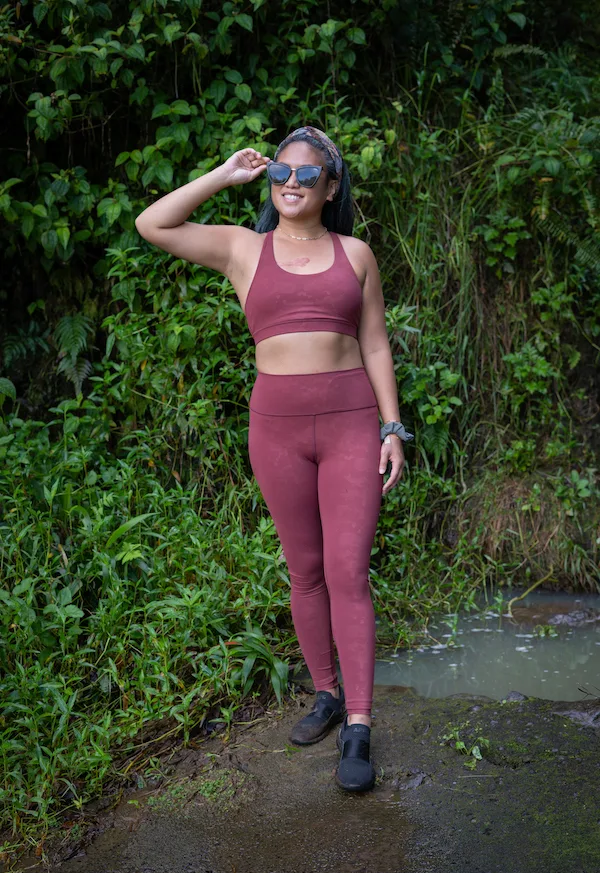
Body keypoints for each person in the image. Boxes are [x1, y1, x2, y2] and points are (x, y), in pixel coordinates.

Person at [135, 125, 414, 793]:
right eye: (280, 172)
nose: (291, 182)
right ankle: (325, 693)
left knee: (348, 571)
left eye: (307, 174)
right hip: (276, 432)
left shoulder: (356, 254)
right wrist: (225, 174)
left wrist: (392, 427)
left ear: (331, 187)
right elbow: (152, 224)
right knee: (305, 570)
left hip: (351, 426)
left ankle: (358, 724)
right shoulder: (243, 248)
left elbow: (376, 343)